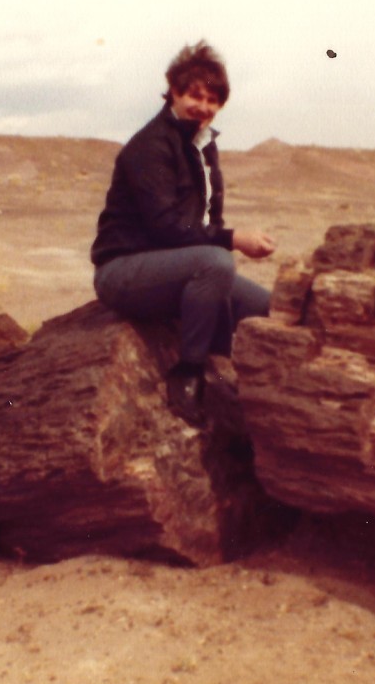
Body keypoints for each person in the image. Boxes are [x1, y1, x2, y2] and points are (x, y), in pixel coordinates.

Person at [90, 41, 276, 425]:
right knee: (217, 264)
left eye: (212, 99)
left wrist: (227, 240)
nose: (203, 107)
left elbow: (201, 224)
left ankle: (230, 376)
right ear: (173, 91)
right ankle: (189, 373)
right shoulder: (150, 146)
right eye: (194, 95)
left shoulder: (200, 145)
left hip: (171, 269)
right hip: (123, 272)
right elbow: (167, 227)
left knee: (267, 307)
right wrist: (233, 238)